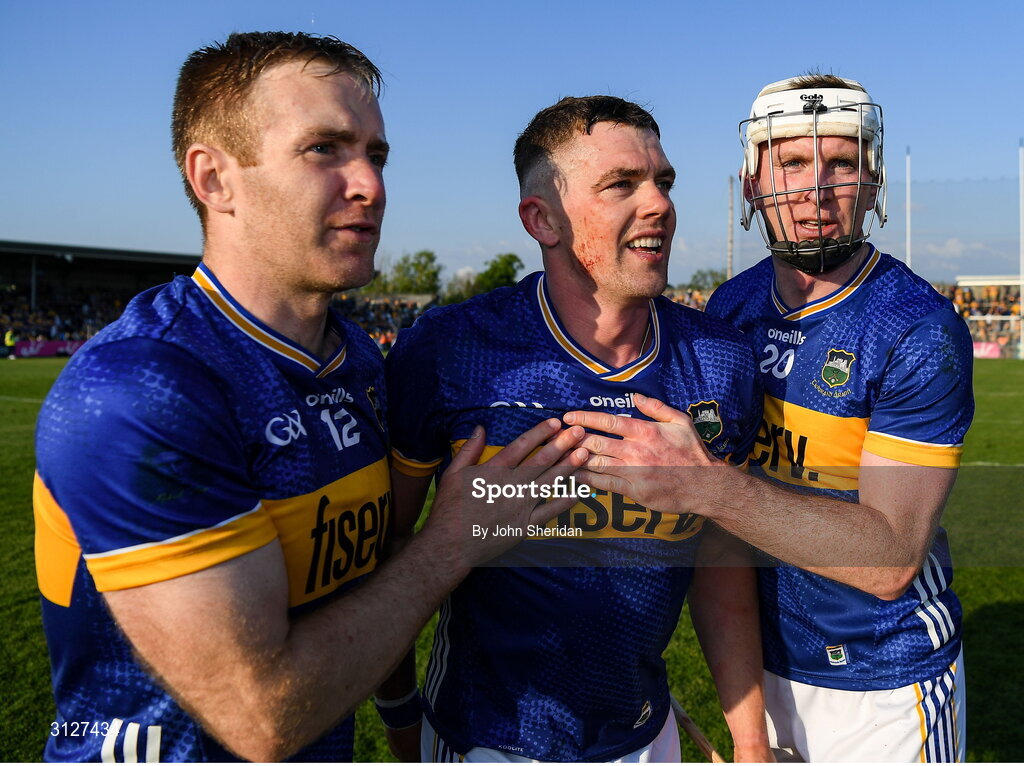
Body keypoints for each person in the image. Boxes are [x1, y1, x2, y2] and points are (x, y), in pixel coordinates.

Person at [33, 32, 586, 763]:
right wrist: (452, 541)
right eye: (324, 148)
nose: (370, 184)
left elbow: (360, 585)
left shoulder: (354, 358)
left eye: (376, 154)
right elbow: (263, 719)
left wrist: (399, 716)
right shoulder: (143, 386)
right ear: (214, 179)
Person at [564, 74, 974, 762]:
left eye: (841, 163)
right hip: (759, 666)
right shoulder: (730, 309)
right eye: (790, 162)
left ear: (873, 182)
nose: (815, 190)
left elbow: (890, 560)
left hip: (885, 681)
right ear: (751, 183)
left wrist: (705, 486)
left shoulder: (917, 329)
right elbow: (715, 544)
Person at [385, 95, 772, 762]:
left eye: (663, 181)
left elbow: (719, 566)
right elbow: (387, 552)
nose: (658, 204)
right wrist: (398, 716)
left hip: (648, 737)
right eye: (622, 184)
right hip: (486, 741)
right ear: (543, 220)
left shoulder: (720, 361)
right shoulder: (451, 351)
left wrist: (751, 740)